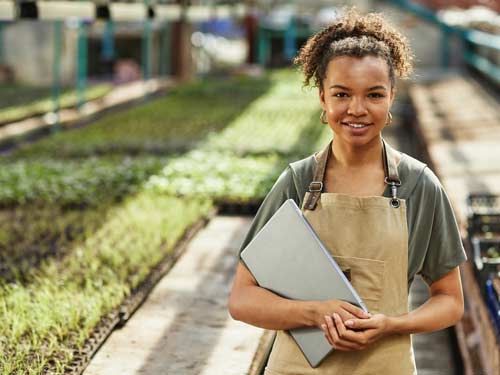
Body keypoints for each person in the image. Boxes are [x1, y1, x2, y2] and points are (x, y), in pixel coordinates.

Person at [228, 7, 467, 375]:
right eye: (342, 94)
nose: (357, 109)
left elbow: (450, 301)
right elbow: (242, 299)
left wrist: (393, 324)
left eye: (373, 95)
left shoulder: (419, 186)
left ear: (391, 98)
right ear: (322, 98)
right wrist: (313, 311)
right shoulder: (296, 182)